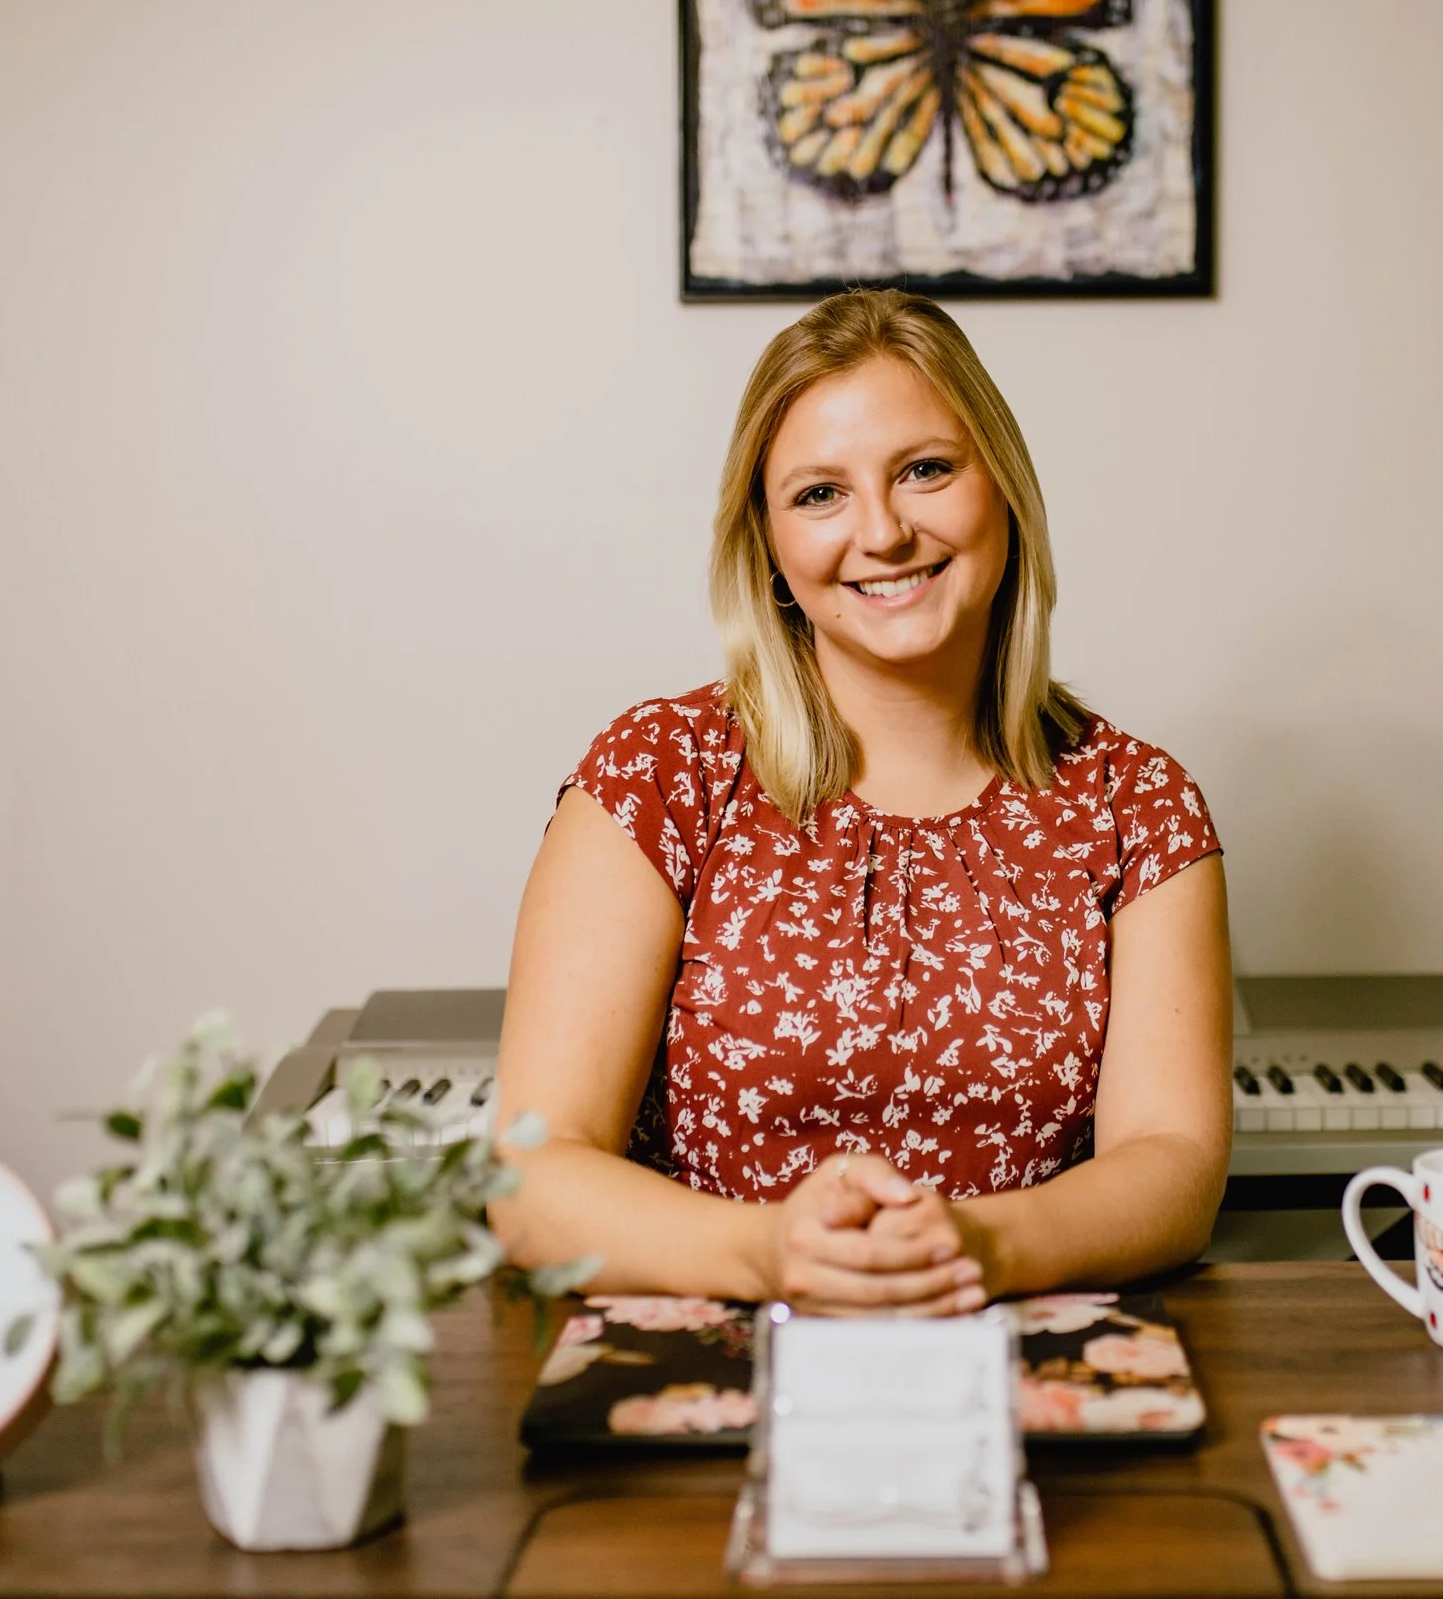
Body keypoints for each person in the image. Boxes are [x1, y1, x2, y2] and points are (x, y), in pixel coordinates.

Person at [491, 290, 1229, 1315]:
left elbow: (1176, 1167)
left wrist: (975, 1246)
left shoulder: (1139, 804)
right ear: (769, 545)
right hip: (720, 1374)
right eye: (818, 494)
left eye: (926, 470)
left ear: (1002, 489)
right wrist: (772, 1254)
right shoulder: (660, 774)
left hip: (1014, 1370)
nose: (881, 533)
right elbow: (532, 1178)